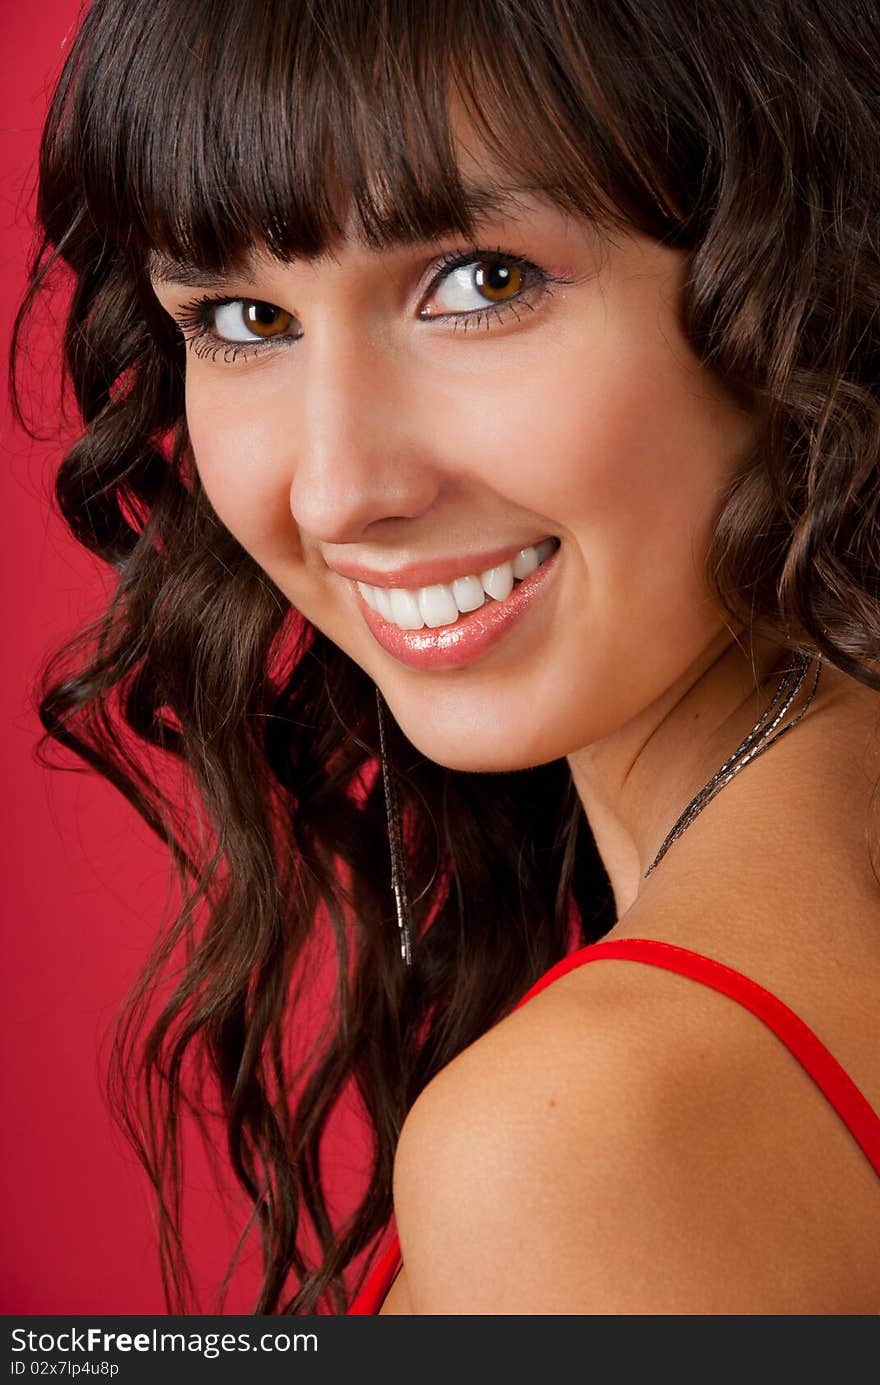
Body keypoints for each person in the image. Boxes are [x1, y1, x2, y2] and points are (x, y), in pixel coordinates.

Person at [11, 0, 880, 1315]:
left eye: (483, 281)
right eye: (244, 317)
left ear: (793, 276)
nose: (341, 488)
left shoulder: (583, 1140)